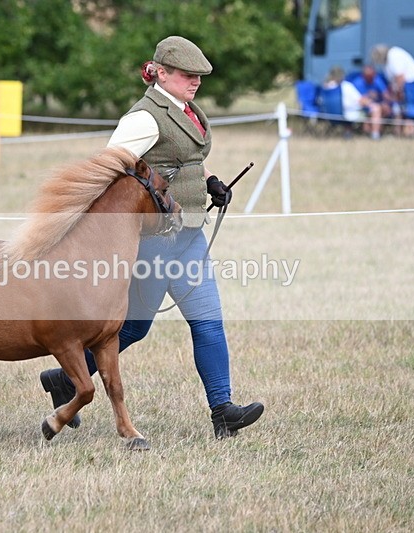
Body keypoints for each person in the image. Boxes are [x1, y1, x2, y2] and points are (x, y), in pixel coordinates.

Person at [39, 36, 264, 439]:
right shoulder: (143, 119)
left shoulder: (186, 110)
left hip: (190, 234)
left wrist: (209, 181)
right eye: (186, 75)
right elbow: (111, 170)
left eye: (198, 76)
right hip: (155, 239)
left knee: (208, 321)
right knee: (132, 329)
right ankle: (65, 379)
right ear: (160, 73)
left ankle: (223, 410)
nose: (195, 82)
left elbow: (186, 161)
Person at [371, 44, 414, 136]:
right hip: (405, 86)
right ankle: (397, 132)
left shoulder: (394, 55)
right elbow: (392, 81)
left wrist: (398, 93)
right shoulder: (386, 63)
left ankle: (409, 131)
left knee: (408, 108)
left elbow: (400, 77)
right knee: (397, 108)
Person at [323, 66, 384, 140]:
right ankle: (375, 135)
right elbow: (361, 101)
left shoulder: (325, 88)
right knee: (375, 108)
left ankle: (351, 132)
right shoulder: (346, 86)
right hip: (349, 114)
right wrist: (370, 101)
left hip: (328, 115)